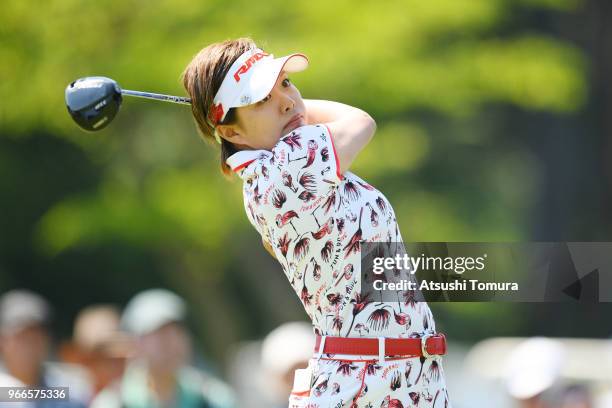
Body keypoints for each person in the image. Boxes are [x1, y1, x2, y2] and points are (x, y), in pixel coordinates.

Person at [182, 38, 450, 407]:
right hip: (366, 382)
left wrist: (277, 104)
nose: (287, 101)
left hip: (400, 374)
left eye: (286, 83)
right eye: (261, 100)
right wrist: (294, 108)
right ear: (231, 132)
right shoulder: (289, 165)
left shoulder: (272, 172)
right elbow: (360, 121)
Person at [90, 289, 235, 408]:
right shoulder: (113, 403)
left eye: (178, 331)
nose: (172, 342)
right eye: (160, 334)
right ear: (134, 343)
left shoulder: (213, 397)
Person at [0, 290, 89, 408]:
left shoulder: (71, 389)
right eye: (22, 337)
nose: (30, 345)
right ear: (2, 340)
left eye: (36, 336)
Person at [60, 305, 132, 402]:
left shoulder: (137, 396)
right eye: (95, 358)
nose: (109, 367)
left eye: (116, 360)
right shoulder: (65, 394)